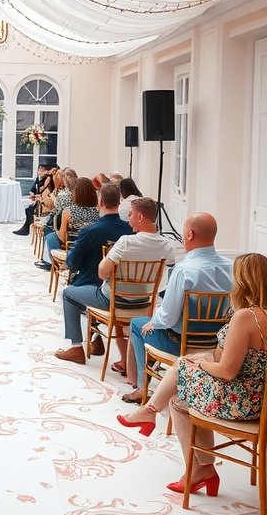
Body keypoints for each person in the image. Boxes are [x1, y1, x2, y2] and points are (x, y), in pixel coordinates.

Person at [117, 253, 267, 498]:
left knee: (182, 370)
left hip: (241, 402)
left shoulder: (246, 316)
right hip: (259, 400)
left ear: (244, 280)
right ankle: (201, 468)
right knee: (181, 392)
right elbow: (237, 362)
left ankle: (151, 413)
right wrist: (206, 360)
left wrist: (201, 365)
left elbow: (227, 371)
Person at [123, 212, 232, 403]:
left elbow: (168, 317)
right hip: (215, 343)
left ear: (189, 234)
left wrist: (154, 321)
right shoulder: (230, 267)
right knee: (152, 323)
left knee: (138, 325)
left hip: (181, 342)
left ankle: (142, 387)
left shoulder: (184, 270)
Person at [56, 196, 174, 368]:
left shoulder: (126, 242)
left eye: (132, 214)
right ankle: (125, 360)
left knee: (68, 293)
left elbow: (102, 273)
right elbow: (170, 272)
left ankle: (76, 348)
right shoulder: (167, 245)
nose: (129, 219)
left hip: (114, 300)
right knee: (115, 298)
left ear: (140, 217)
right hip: (144, 302)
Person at [55, 183, 132, 365]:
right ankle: (96, 340)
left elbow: (72, 262)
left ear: (100, 201)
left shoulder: (90, 231)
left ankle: (76, 347)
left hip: (95, 284)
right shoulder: (130, 230)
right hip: (128, 288)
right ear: (119, 202)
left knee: (69, 293)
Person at [37, 175, 98, 269]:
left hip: (72, 248)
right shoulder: (98, 211)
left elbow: (62, 237)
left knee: (50, 237)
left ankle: (55, 265)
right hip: (92, 249)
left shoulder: (68, 211)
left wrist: (56, 232)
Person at [13, 163, 53, 236]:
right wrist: (32, 194)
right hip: (37, 199)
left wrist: (38, 196)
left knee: (29, 209)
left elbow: (44, 191)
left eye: (42, 170)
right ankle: (27, 227)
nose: (40, 172)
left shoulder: (48, 179)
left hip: (42, 201)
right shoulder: (38, 178)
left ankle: (27, 228)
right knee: (28, 209)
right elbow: (33, 189)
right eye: (39, 170)